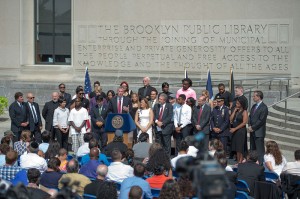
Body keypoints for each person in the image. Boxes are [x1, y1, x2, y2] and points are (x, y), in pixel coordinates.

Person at [248, 90, 268, 165]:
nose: (253, 97)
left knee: (259, 150)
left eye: (254, 96)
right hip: (252, 131)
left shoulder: (264, 107)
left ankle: (260, 164)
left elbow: (261, 120)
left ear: (259, 97)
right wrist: (249, 125)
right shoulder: (254, 106)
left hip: (258, 132)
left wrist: (253, 127)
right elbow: (250, 117)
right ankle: (253, 163)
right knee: (253, 149)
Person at [230, 97, 248, 163]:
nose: (236, 104)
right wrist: (234, 111)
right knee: (236, 147)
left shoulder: (244, 111)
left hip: (241, 131)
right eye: (236, 103)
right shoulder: (236, 111)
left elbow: (244, 122)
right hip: (235, 131)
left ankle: (240, 161)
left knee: (240, 147)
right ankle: (238, 161)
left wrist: (235, 128)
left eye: (238, 103)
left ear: (241, 104)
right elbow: (231, 119)